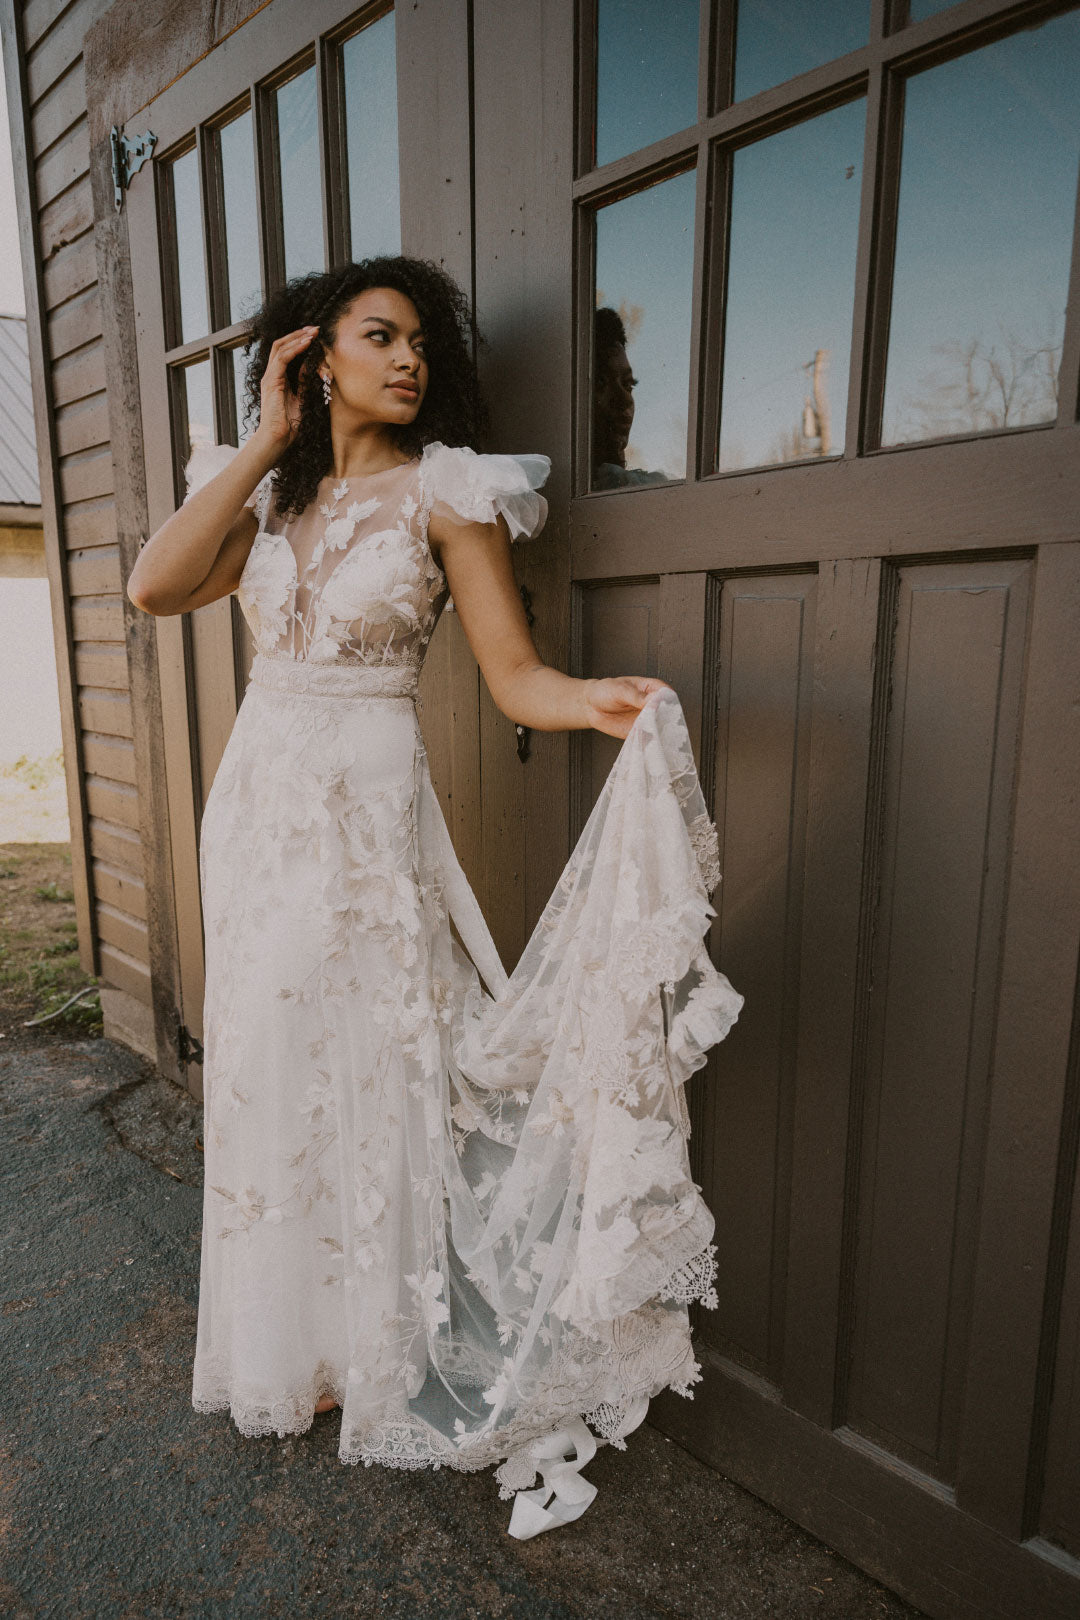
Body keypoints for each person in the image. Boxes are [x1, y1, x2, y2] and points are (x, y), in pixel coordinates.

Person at [127, 254, 744, 1538]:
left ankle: (385, 1348)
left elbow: (515, 676)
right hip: (259, 813)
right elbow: (153, 587)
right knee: (274, 1064)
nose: (407, 361)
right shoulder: (255, 501)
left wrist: (593, 702)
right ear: (313, 353)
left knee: (380, 1057)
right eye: (378, 335)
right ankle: (291, 1352)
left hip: (367, 818)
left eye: (421, 344)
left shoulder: (448, 496)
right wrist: (263, 443)